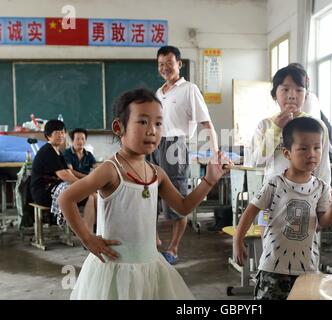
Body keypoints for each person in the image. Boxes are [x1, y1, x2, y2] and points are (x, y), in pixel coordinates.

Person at [59, 88, 232, 299]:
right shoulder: (110, 170)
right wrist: (87, 238)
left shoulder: (156, 173)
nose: (152, 130)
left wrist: (209, 180)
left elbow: (183, 207)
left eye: (158, 123)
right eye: (142, 122)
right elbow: (66, 198)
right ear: (119, 127)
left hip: (150, 265)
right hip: (114, 269)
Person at [234, 117, 332, 300]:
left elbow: (323, 222)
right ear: (287, 153)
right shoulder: (274, 183)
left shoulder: (322, 187)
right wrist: (238, 240)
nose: (312, 154)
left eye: (317, 147)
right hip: (273, 267)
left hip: (307, 268)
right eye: (303, 148)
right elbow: (250, 211)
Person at [151, 45, 219, 264]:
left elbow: (207, 124)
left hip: (175, 144)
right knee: (149, 194)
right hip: (153, 144)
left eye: (169, 63)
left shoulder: (189, 89)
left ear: (179, 64)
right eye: (161, 64)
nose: (165, 68)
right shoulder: (158, 93)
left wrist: (215, 153)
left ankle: (173, 248)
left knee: (177, 199)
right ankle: (154, 242)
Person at [248, 63, 331, 185]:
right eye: (285, 89)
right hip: (274, 194)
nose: (292, 96)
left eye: (299, 90)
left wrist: (325, 199)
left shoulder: (316, 126)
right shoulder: (265, 125)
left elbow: (323, 168)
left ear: (306, 94)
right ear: (274, 94)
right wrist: (275, 129)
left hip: (307, 194)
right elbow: (256, 162)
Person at [30, 120, 95, 230]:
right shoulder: (47, 151)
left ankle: (92, 231)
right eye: (56, 133)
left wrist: (89, 181)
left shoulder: (58, 152)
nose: (61, 135)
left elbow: (68, 172)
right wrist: (85, 185)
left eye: (62, 132)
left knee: (94, 196)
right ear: (48, 136)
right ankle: (86, 233)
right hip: (43, 193)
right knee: (90, 196)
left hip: (54, 189)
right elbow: (64, 175)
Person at [63, 128, 98, 233]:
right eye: (77, 139)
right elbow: (71, 171)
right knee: (92, 197)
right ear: (72, 141)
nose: (80, 141)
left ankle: (96, 229)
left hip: (87, 184)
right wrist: (86, 178)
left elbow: (97, 168)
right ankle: (88, 232)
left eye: (82, 139)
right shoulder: (67, 153)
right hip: (73, 183)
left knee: (98, 197)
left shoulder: (88, 155)